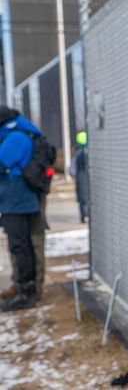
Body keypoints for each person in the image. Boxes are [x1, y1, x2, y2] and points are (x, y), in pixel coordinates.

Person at [0, 106, 41, 311]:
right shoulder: (16, 135)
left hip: (17, 201)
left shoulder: (16, 137)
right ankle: (26, 288)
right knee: (22, 245)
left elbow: (1, 162)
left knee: (20, 246)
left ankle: (26, 291)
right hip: (16, 200)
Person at [70, 131, 89, 223]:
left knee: (82, 197)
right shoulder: (89, 152)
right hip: (87, 176)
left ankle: (84, 215)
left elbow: (72, 170)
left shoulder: (78, 154)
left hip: (81, 177)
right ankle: (87, 215)